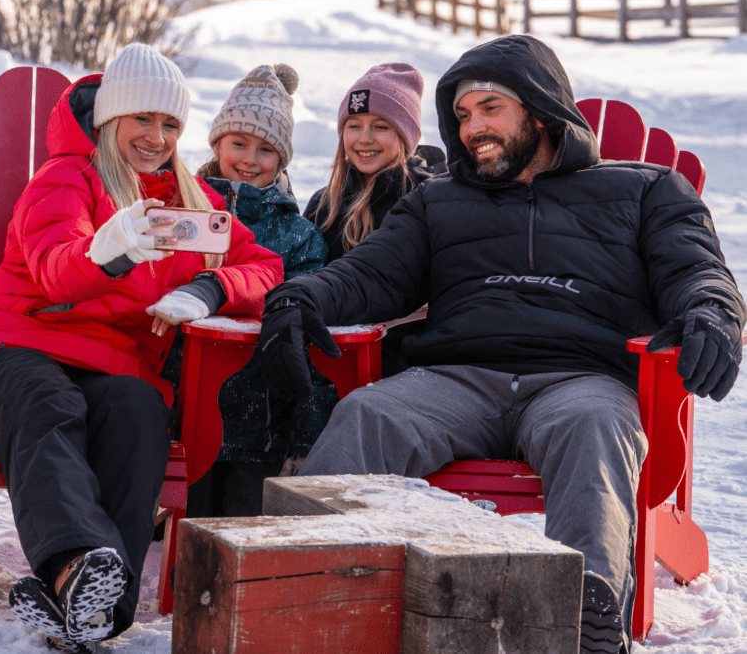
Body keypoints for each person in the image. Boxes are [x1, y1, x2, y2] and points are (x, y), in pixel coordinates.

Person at [254, 34, 746, 654]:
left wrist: (712, 312)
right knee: (367, 414)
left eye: (490, 109)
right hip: (456, 378)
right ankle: (292, 599)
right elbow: (370, 273)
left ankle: (582, 613)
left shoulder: (647, 190)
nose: (472, 128)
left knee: (595, 429)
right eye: (461, 115)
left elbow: (696, 271)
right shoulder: (438, 202)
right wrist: (302, 298)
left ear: (540, 111)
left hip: (579, 381)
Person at [0, 44, 282, 653]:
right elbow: (53, 269)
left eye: (170, 124)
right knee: (48, 403)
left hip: (112, 363)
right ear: (109, 120)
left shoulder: (192, 206)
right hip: (12, 345)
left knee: (138, 410)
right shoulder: (66, 178)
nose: (156, 136)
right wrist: (108, 250)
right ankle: (75, 568)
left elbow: (264, 264)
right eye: (142, 119)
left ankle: (94, 611)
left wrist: (211, 286)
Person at [179, 62, 334, 518]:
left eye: (266, 149)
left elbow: (310, 341)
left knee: (241, 540)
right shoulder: (183, 213)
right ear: (218, 143)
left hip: (263, 422)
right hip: (185, 415)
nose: (249, 159)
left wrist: (305, 431)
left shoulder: (300, 237)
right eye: (238, 143)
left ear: (282, 159)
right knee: (186, 533)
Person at [303, 62, 446, 375]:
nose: (364, 138)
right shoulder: (323, 203)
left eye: (381, 126)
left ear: (405, 135)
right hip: (330, 360)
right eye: (353, 125)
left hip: (405, 365)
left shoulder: (429, 198)